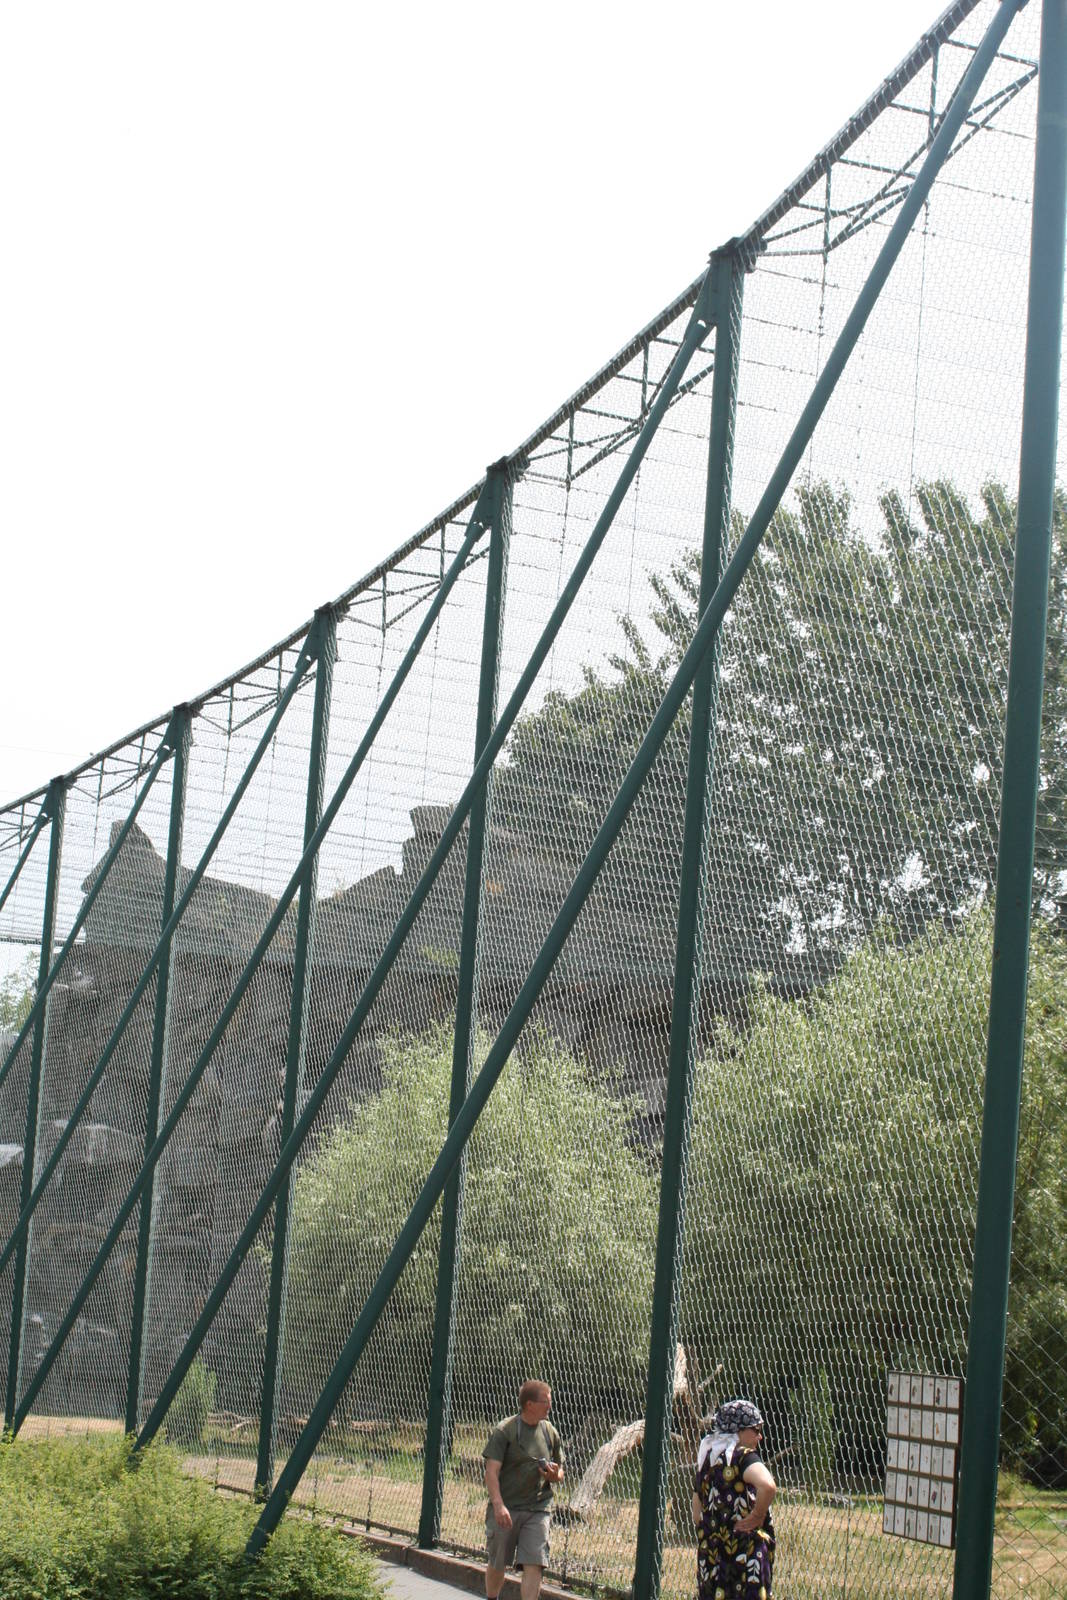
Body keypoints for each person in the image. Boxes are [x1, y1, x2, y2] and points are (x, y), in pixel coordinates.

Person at [483, 1379, 565, 1600]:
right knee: (498, 1562)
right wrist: (498, 1506)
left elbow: (560, 1471)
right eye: (546, 1402)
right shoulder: (505, 1430)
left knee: (535, 1563)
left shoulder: (549, 1432)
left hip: (538, 1508)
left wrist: (553, 1474)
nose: (550, 1406)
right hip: (507, 1508)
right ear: (529, 1404)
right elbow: (491, 1471)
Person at [692, 1398, 776, 1600]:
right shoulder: (742, 1456)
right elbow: (768, 1485)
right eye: (755, 1430)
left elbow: (696, 1512)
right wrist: (757, 1516)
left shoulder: (708, 1460)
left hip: (712, 1559)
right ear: (738, 1430)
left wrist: (716, 1533)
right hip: (746, 1559)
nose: (760, 1436)